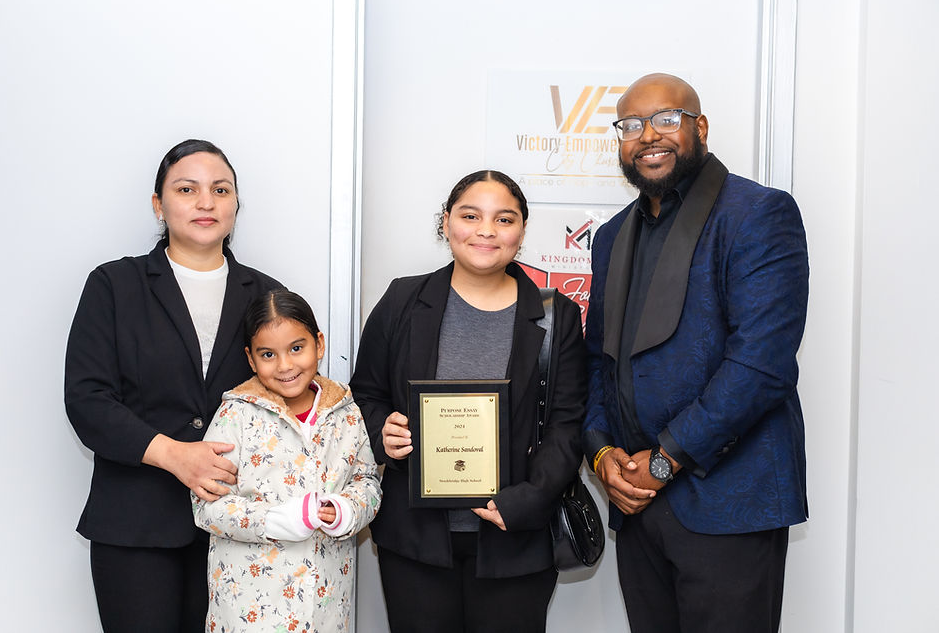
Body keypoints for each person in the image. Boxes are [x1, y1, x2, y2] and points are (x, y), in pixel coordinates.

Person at [582, 73, 809, 633]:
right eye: (631, 125)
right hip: (638, 505)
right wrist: (602, 455)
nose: (648, 136)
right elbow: (597, 362)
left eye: (665, 119)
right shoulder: (611, 236)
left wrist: (665, 460)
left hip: (730, 500)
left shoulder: (758, 213)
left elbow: (761, 365)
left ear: (699, 126)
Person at [350, 170, 587, 633]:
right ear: (446, 222)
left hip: (514, 542)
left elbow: (567, 423)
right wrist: (382, 431)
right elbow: (366, 394)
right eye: (470, 215)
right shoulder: (402, 300)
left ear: (522, 230)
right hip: (415, 540)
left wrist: (530, 500)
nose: (486, 230)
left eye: (504, 219)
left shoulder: (557, 315)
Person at [65, 139, 283, 632]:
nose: (206, 202)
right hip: (136, 525)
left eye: (220, 190)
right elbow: (87, 401)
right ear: (159, 205)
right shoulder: (114, 286)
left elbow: (288, 397)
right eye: (188, 189)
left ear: (235, 206)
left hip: (240, 526)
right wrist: (174, 455)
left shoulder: (268, 294)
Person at [192, 288, 381, 631]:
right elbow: (207, 506)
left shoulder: (344, 411)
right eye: (268, 354)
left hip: (325, 608)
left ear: (318, 344)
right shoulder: (235, 415)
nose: (285, 365)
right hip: (249, 610)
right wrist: (278, 519)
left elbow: (366, 481)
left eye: (297, 348)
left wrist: (347, 511)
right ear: (250, 359)